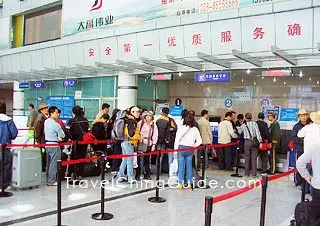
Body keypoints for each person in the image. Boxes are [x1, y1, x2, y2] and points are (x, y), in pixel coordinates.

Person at [296, 113, 320, 226]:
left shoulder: (307, 128)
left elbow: (299, 134)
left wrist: (307, 177)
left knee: (314, 215)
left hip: (317, 184)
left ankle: (305, 188)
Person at [174, 113, 202, 190]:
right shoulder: (195, 129)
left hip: (181, 149)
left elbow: (177, 140)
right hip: (190, 149)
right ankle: (190, 183)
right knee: (189, 166)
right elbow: (200, 141)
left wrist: (175, 151)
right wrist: (193, 146)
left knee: (181, 166)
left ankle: (180, 184)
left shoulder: (181, 128)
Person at [66, 105, 90, 179]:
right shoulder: (85, 120)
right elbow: (89, 130)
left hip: (75, 142)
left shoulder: (71, 121)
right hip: (84, 141)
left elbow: (67, 131)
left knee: (74, 158)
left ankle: (71, 173)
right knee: (82, 157)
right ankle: (80, 174)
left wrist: (71, 138)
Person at [118, 107, 141, 184]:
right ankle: (131, 178)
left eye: (139, 112)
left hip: (123, 142)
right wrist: (138, 136)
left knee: (124, 160)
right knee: (130, 161)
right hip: (129, 142)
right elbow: (131, 134)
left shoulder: (127, 119)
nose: (138, 113)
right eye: (137, 112)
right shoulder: (132, 121)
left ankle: (121, 176)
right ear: (132, 112)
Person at [44, 106, 65, 186]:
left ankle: (48, 179)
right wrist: (58, 137)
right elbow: (62, 135)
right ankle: (51, 181)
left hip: (47, 144)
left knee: (49, 163)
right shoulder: (56, 124)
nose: (58, 114)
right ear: (51, 113)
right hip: (54, 145)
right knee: (54, 164)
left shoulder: (46, 122)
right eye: (56, 112)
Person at [238, 113, 262, 178]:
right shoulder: (254, 123)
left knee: (247, 157)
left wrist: (239, 127)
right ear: (251, 117)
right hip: (253, 141)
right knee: (254, 158)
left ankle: (246, 173)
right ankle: (254, 174)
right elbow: (258, 133)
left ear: (245, 118)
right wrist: (260, 142)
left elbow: (240, 132)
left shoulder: (243, 125)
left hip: (246, 142)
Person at [0, 101, 18, 190]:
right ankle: (4, 185)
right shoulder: (8, 120)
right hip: (5, 147)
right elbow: (14, 133)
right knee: (6, 166)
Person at [137, 111, 158, 180]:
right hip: (141, 142)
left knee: (147, 160)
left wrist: (154, 144)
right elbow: (137, 131)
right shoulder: (141, 123)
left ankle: (147, 175)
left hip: (149, 143)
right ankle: (138, 174)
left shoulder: (153, 125)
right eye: (147, 116)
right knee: (139, 159)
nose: (148, 117)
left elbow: (155, 135)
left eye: (150, 116)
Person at [156, 107, 177, 174]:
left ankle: (158, 172)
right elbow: (175, 128)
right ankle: (170, 172)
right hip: (168, 141)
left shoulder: (158, 120)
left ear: (162, 112)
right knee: (170, 157)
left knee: (160, 156)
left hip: (159, 140)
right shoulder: (170, 120)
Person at [292, 109, 309, 186]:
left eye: (305, 115)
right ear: (299, 117)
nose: (303, 117)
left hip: (309, 150)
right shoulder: (296, 126)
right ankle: (298, 181)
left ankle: (306, 182)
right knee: (299, 165)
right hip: (299, 149)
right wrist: (304, 142)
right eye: (301, 115)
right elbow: (294, 137)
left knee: (308, 166)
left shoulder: (311, 125)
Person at [34, 103, 49, 172]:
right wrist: (38, 140)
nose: (47, 109)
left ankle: (43, 167)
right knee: (43, 154)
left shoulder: (45, 117)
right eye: (45, 108)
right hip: (42, 140)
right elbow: (38, 130)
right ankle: (42, 168)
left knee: (44, 154)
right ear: (41, 110)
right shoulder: (40, 119)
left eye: (47, 108)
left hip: (44, 139)